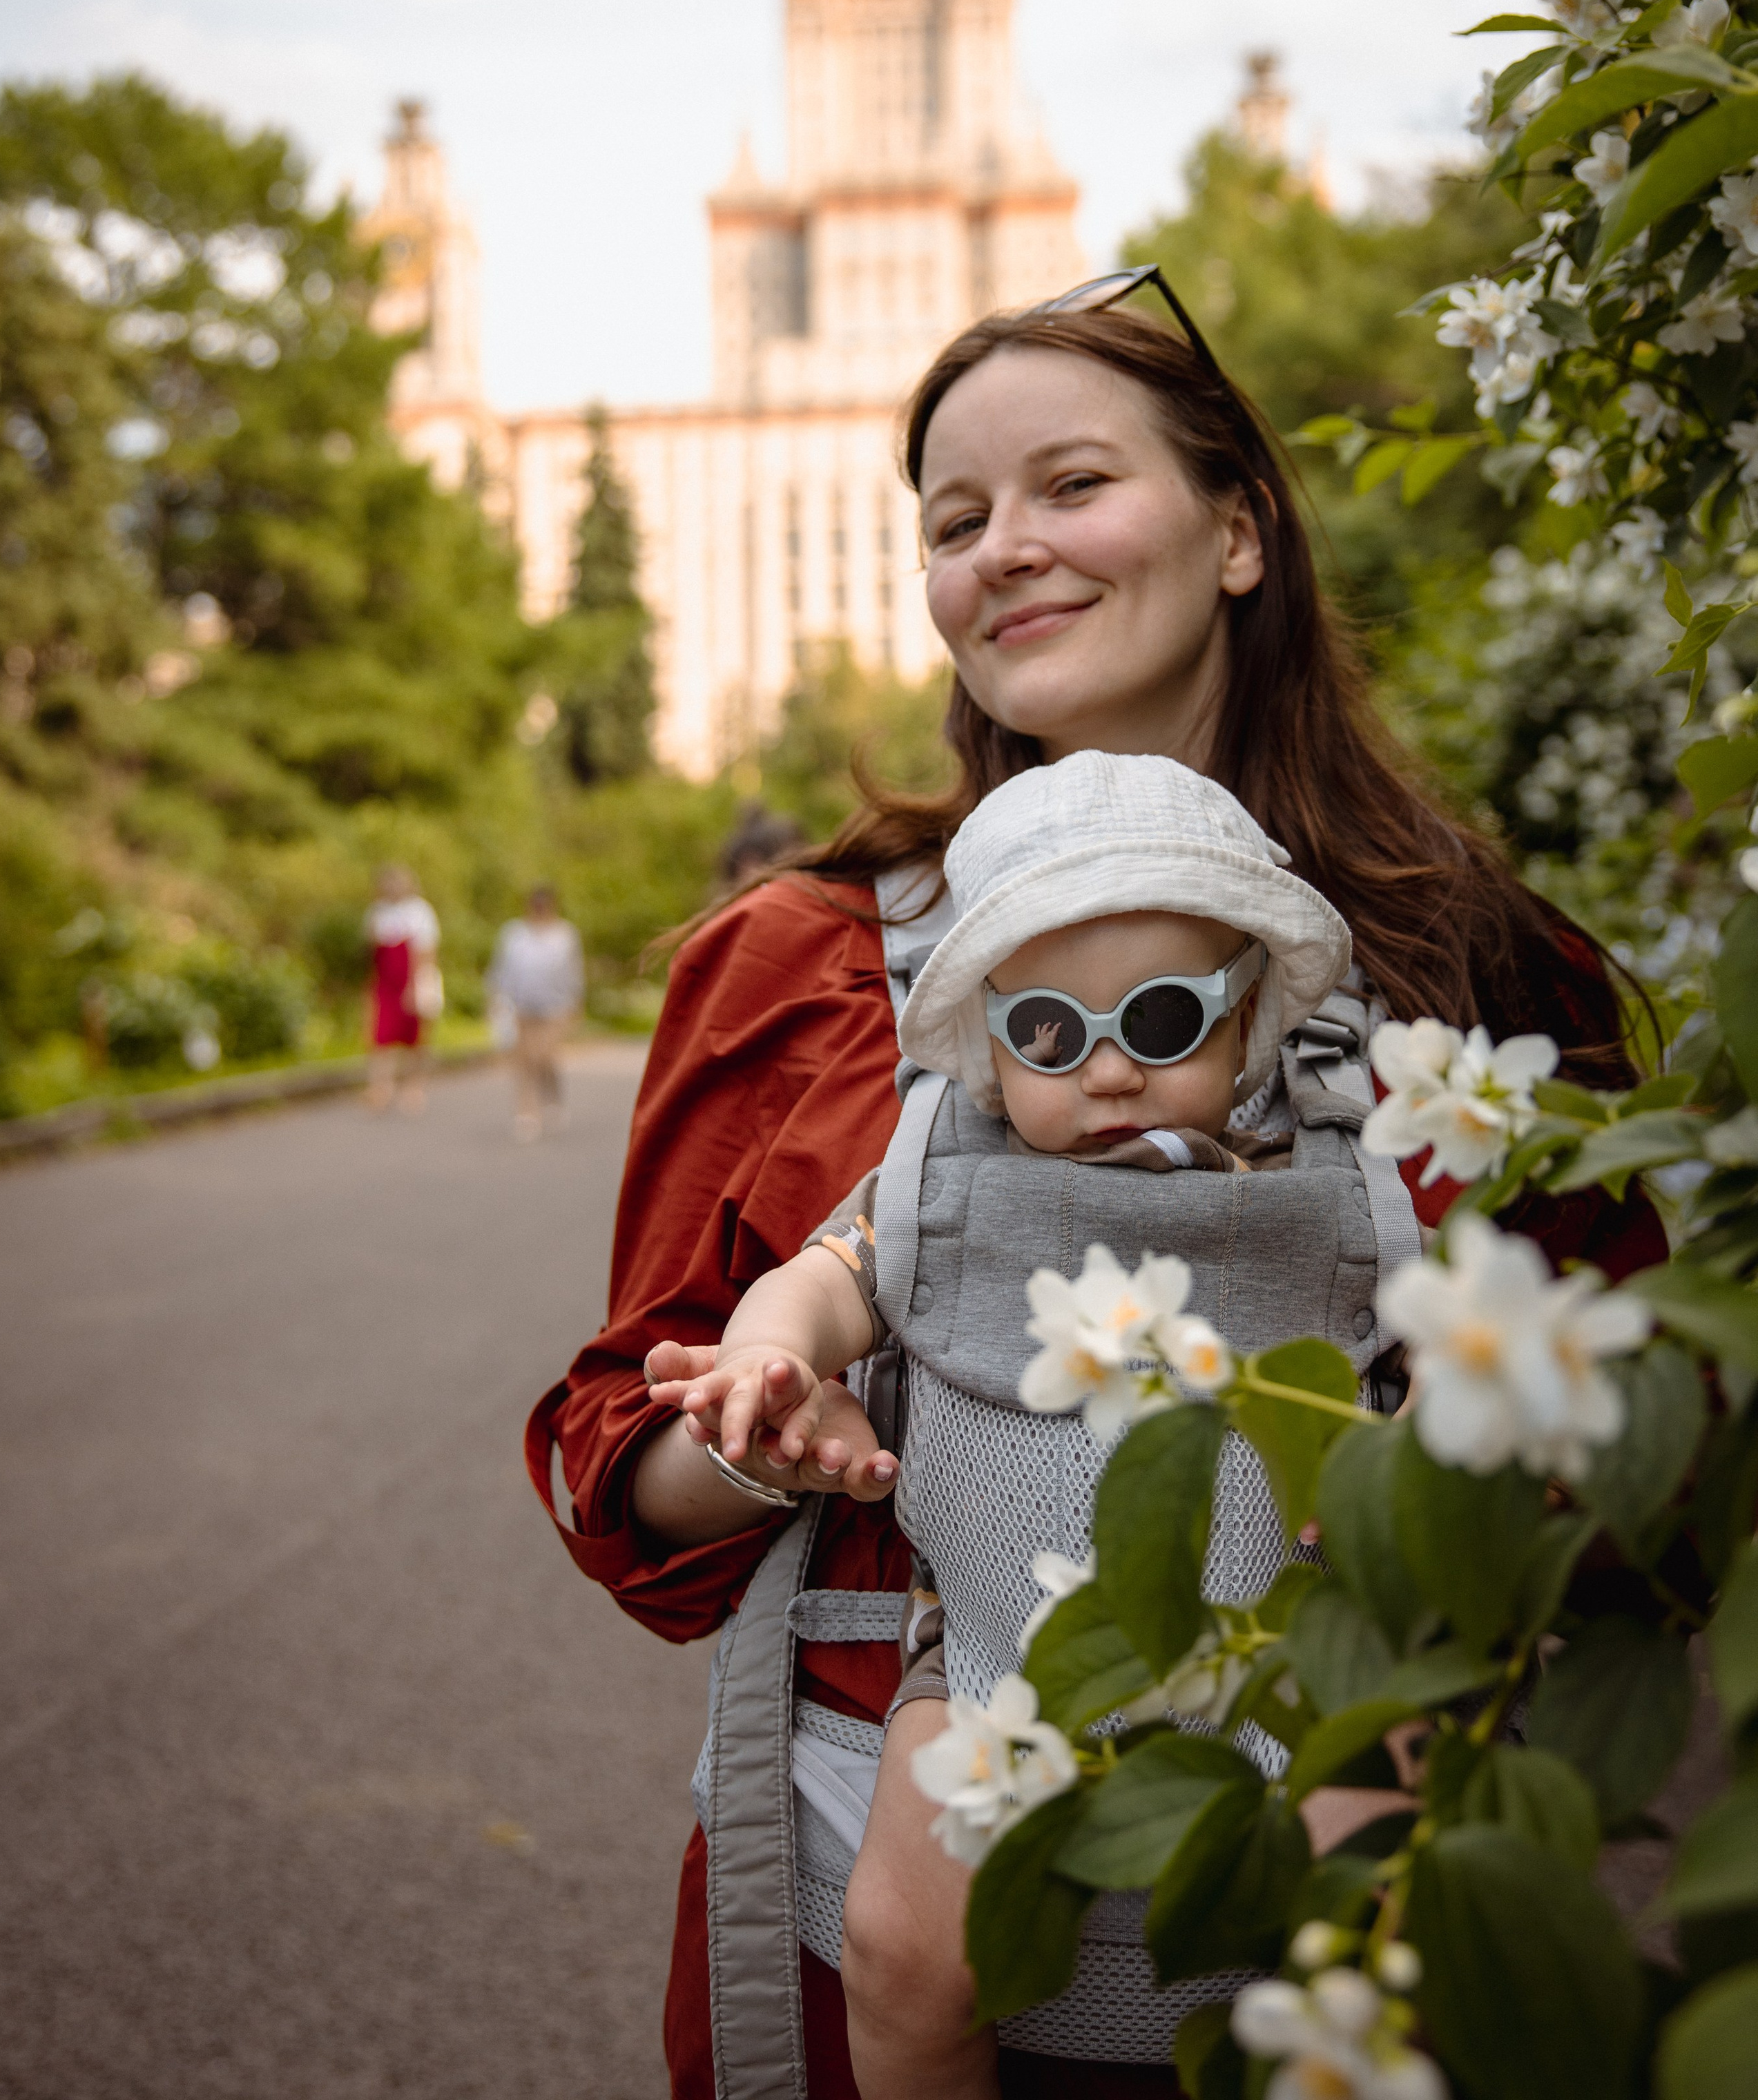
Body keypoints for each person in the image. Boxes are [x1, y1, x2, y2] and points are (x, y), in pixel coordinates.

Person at [529, 271, 1665, 2100]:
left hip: (1339, 1917)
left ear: (1238, 530)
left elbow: (1645, 1456)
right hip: (907, 1906)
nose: (1006, 551)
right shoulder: (803, 963)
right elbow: (623, 1473)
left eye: (1070, 485)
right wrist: (764, 1417)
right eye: (955, 519)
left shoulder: (1479, 972)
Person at [648, 751, 1357, 2099]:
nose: (1103, 1074)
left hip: (1293, 1647)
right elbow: (818, 1279)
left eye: (1160, 1022)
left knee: (1388, 1881)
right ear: (986, 1038)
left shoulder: (1321, 1180)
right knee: (901, 1938)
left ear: (1250, 1009)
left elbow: (1412, 1337)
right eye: (1046, 1031)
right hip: (987, 1663)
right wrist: (768, 1357)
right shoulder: (939, 1188)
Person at [488, 885, 585, 1141]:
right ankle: (527, 1112)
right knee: (525, 1059)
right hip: (522, 1005)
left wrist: (576, 1005)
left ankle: (553, 1097)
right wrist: (496, 999)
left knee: (545, 1056)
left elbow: (574, 973)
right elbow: (501, 969)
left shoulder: (565, 935)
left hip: (556, 1006)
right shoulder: (514, 934)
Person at [365, 863, 439, 1115]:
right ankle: (381, 1087)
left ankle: (413, 1088)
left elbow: (427, 952)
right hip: (386, 983)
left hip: (412, 981)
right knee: (381, 1037)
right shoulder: (377, 912)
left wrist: (418, 984)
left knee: (414, 1039)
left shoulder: (420, 912)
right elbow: (373, 952)